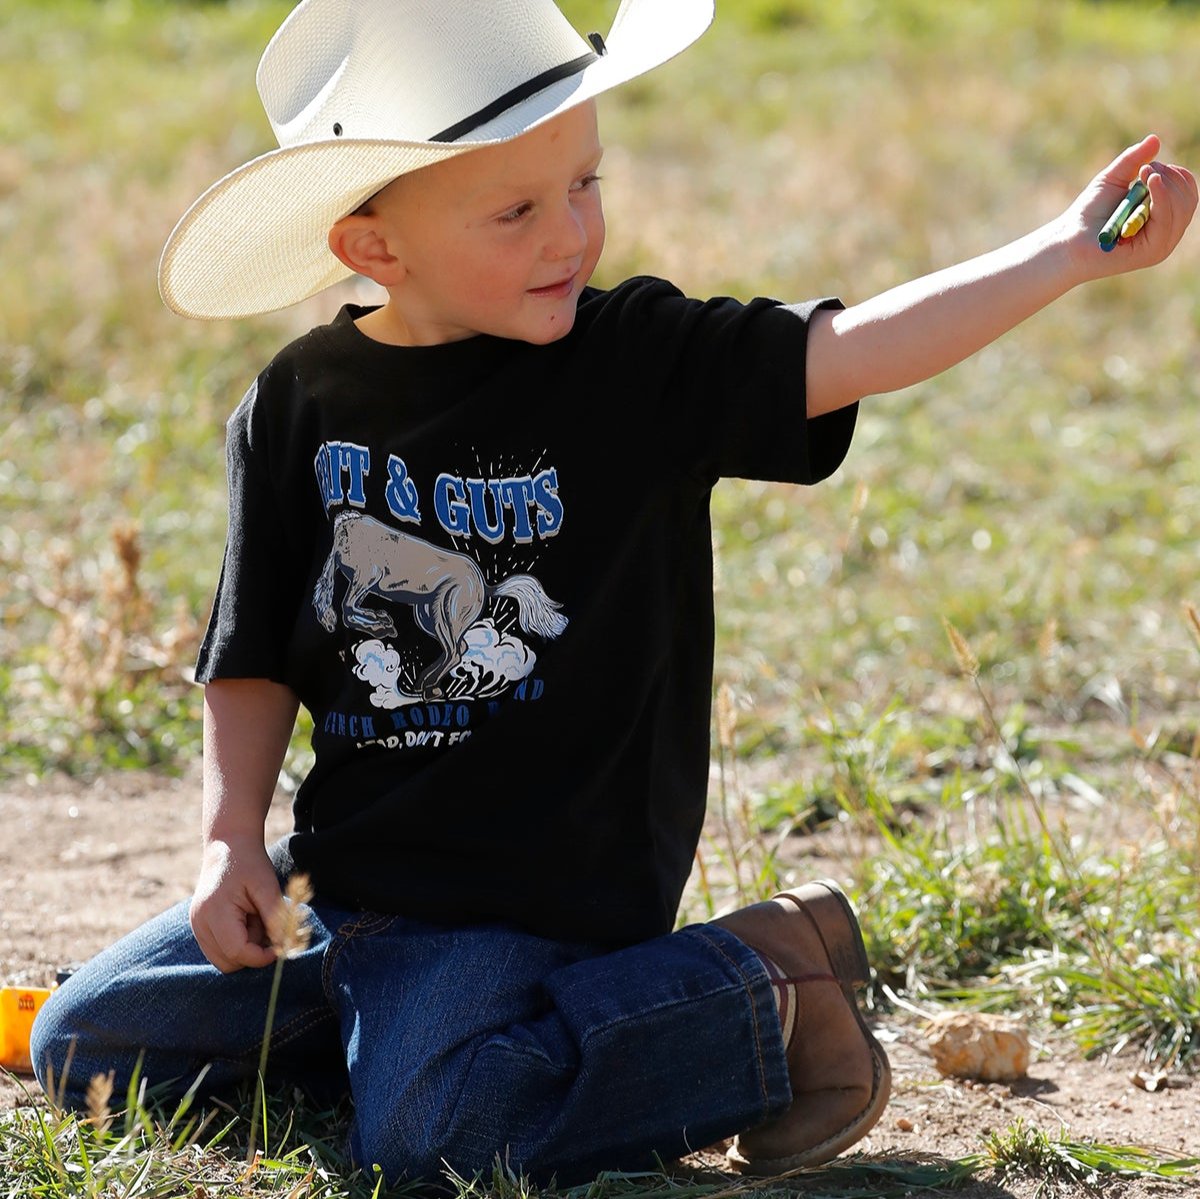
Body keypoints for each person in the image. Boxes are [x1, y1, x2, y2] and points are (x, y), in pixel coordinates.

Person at [32, 0, 1195, 1187]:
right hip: (339, 890)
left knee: (435, 1144)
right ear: (375, 248)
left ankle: (761, 989)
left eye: (585, 183)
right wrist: (229, 837)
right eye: (517, 211)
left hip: (532, 901)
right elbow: (252, 650)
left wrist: (1064, 250)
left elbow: (853, 347)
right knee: (84, 1044)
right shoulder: (294, 403)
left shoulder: (637, 360)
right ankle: (449, 1056)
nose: (572, 234)